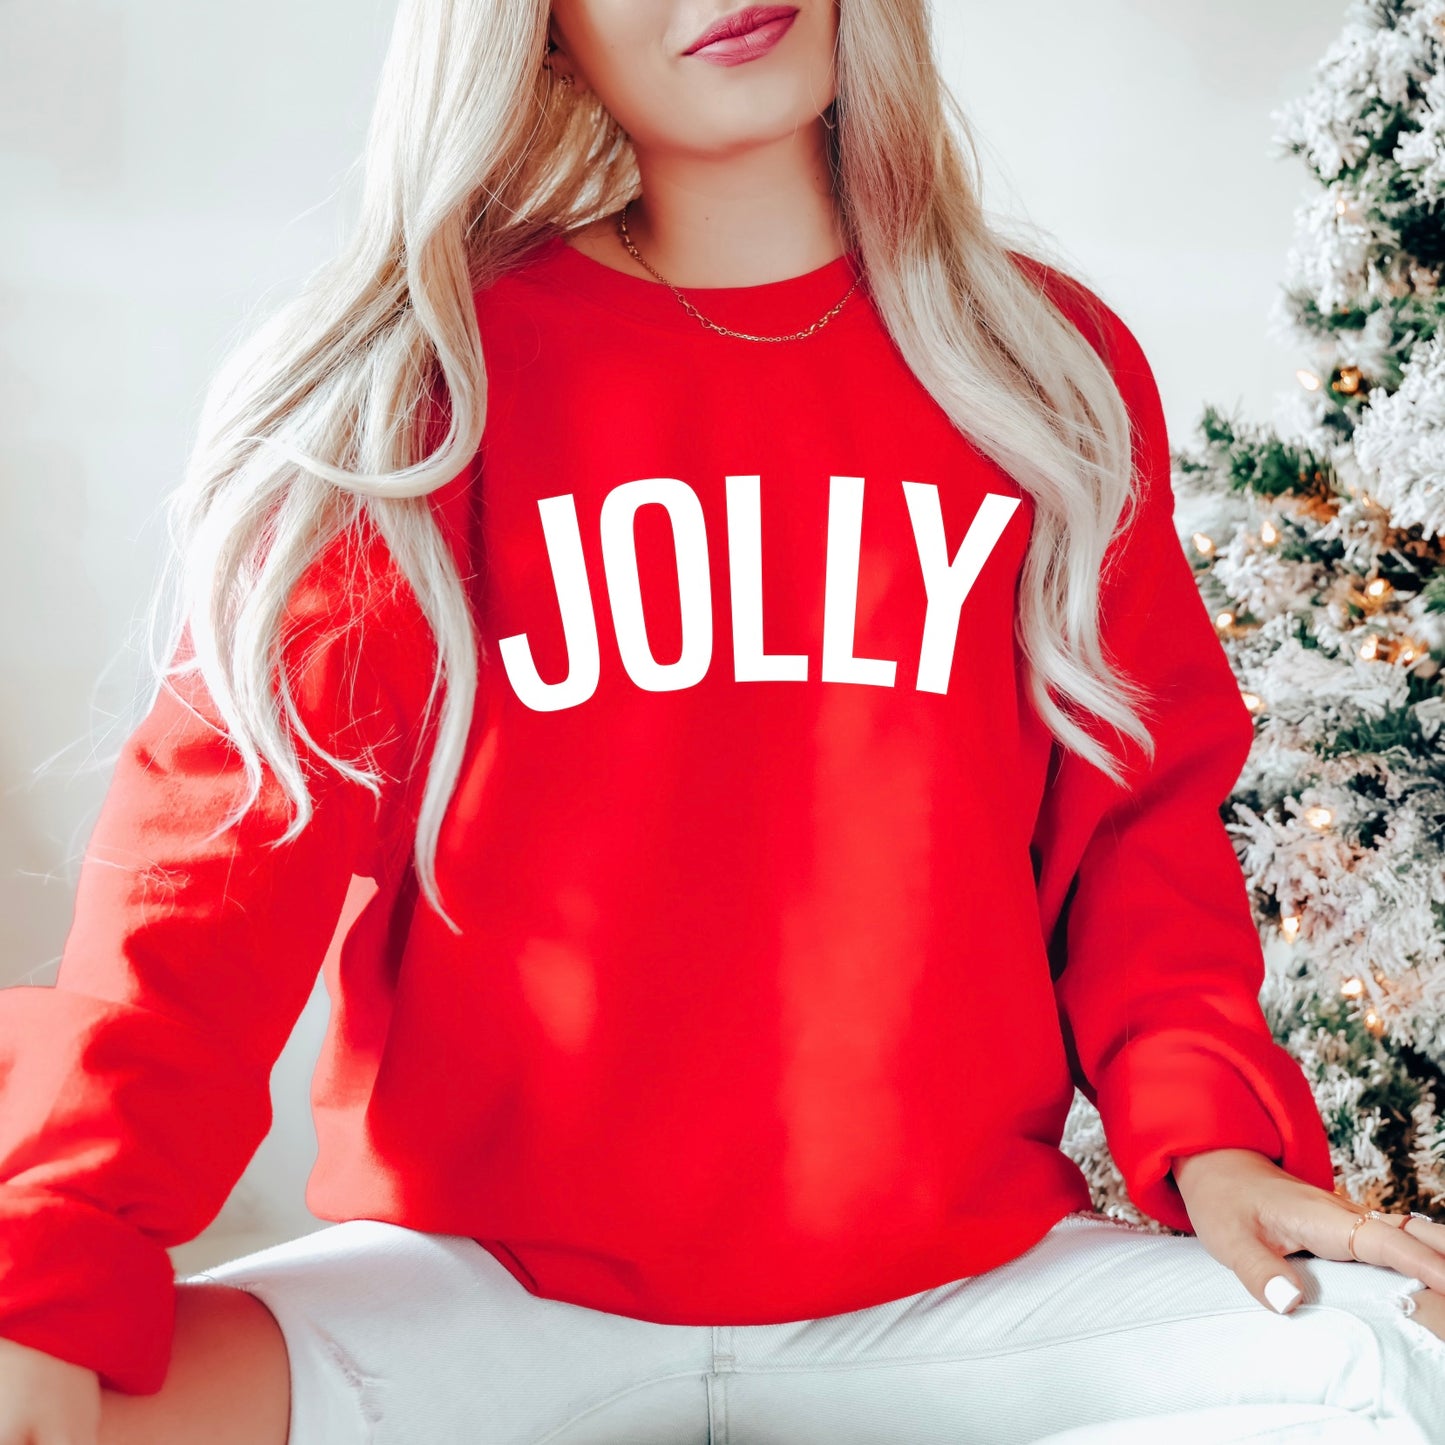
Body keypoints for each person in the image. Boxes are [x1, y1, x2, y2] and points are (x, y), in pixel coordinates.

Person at [3, 2, 1445, 1442]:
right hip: (482, 1300)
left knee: (1398, 1359)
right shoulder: (421, 389)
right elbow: (209, 881)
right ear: (541, 33)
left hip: (950, 1293)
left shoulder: (1037, 367)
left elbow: (1136, 816)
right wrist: (45, 1263)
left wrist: (1210, 1140)